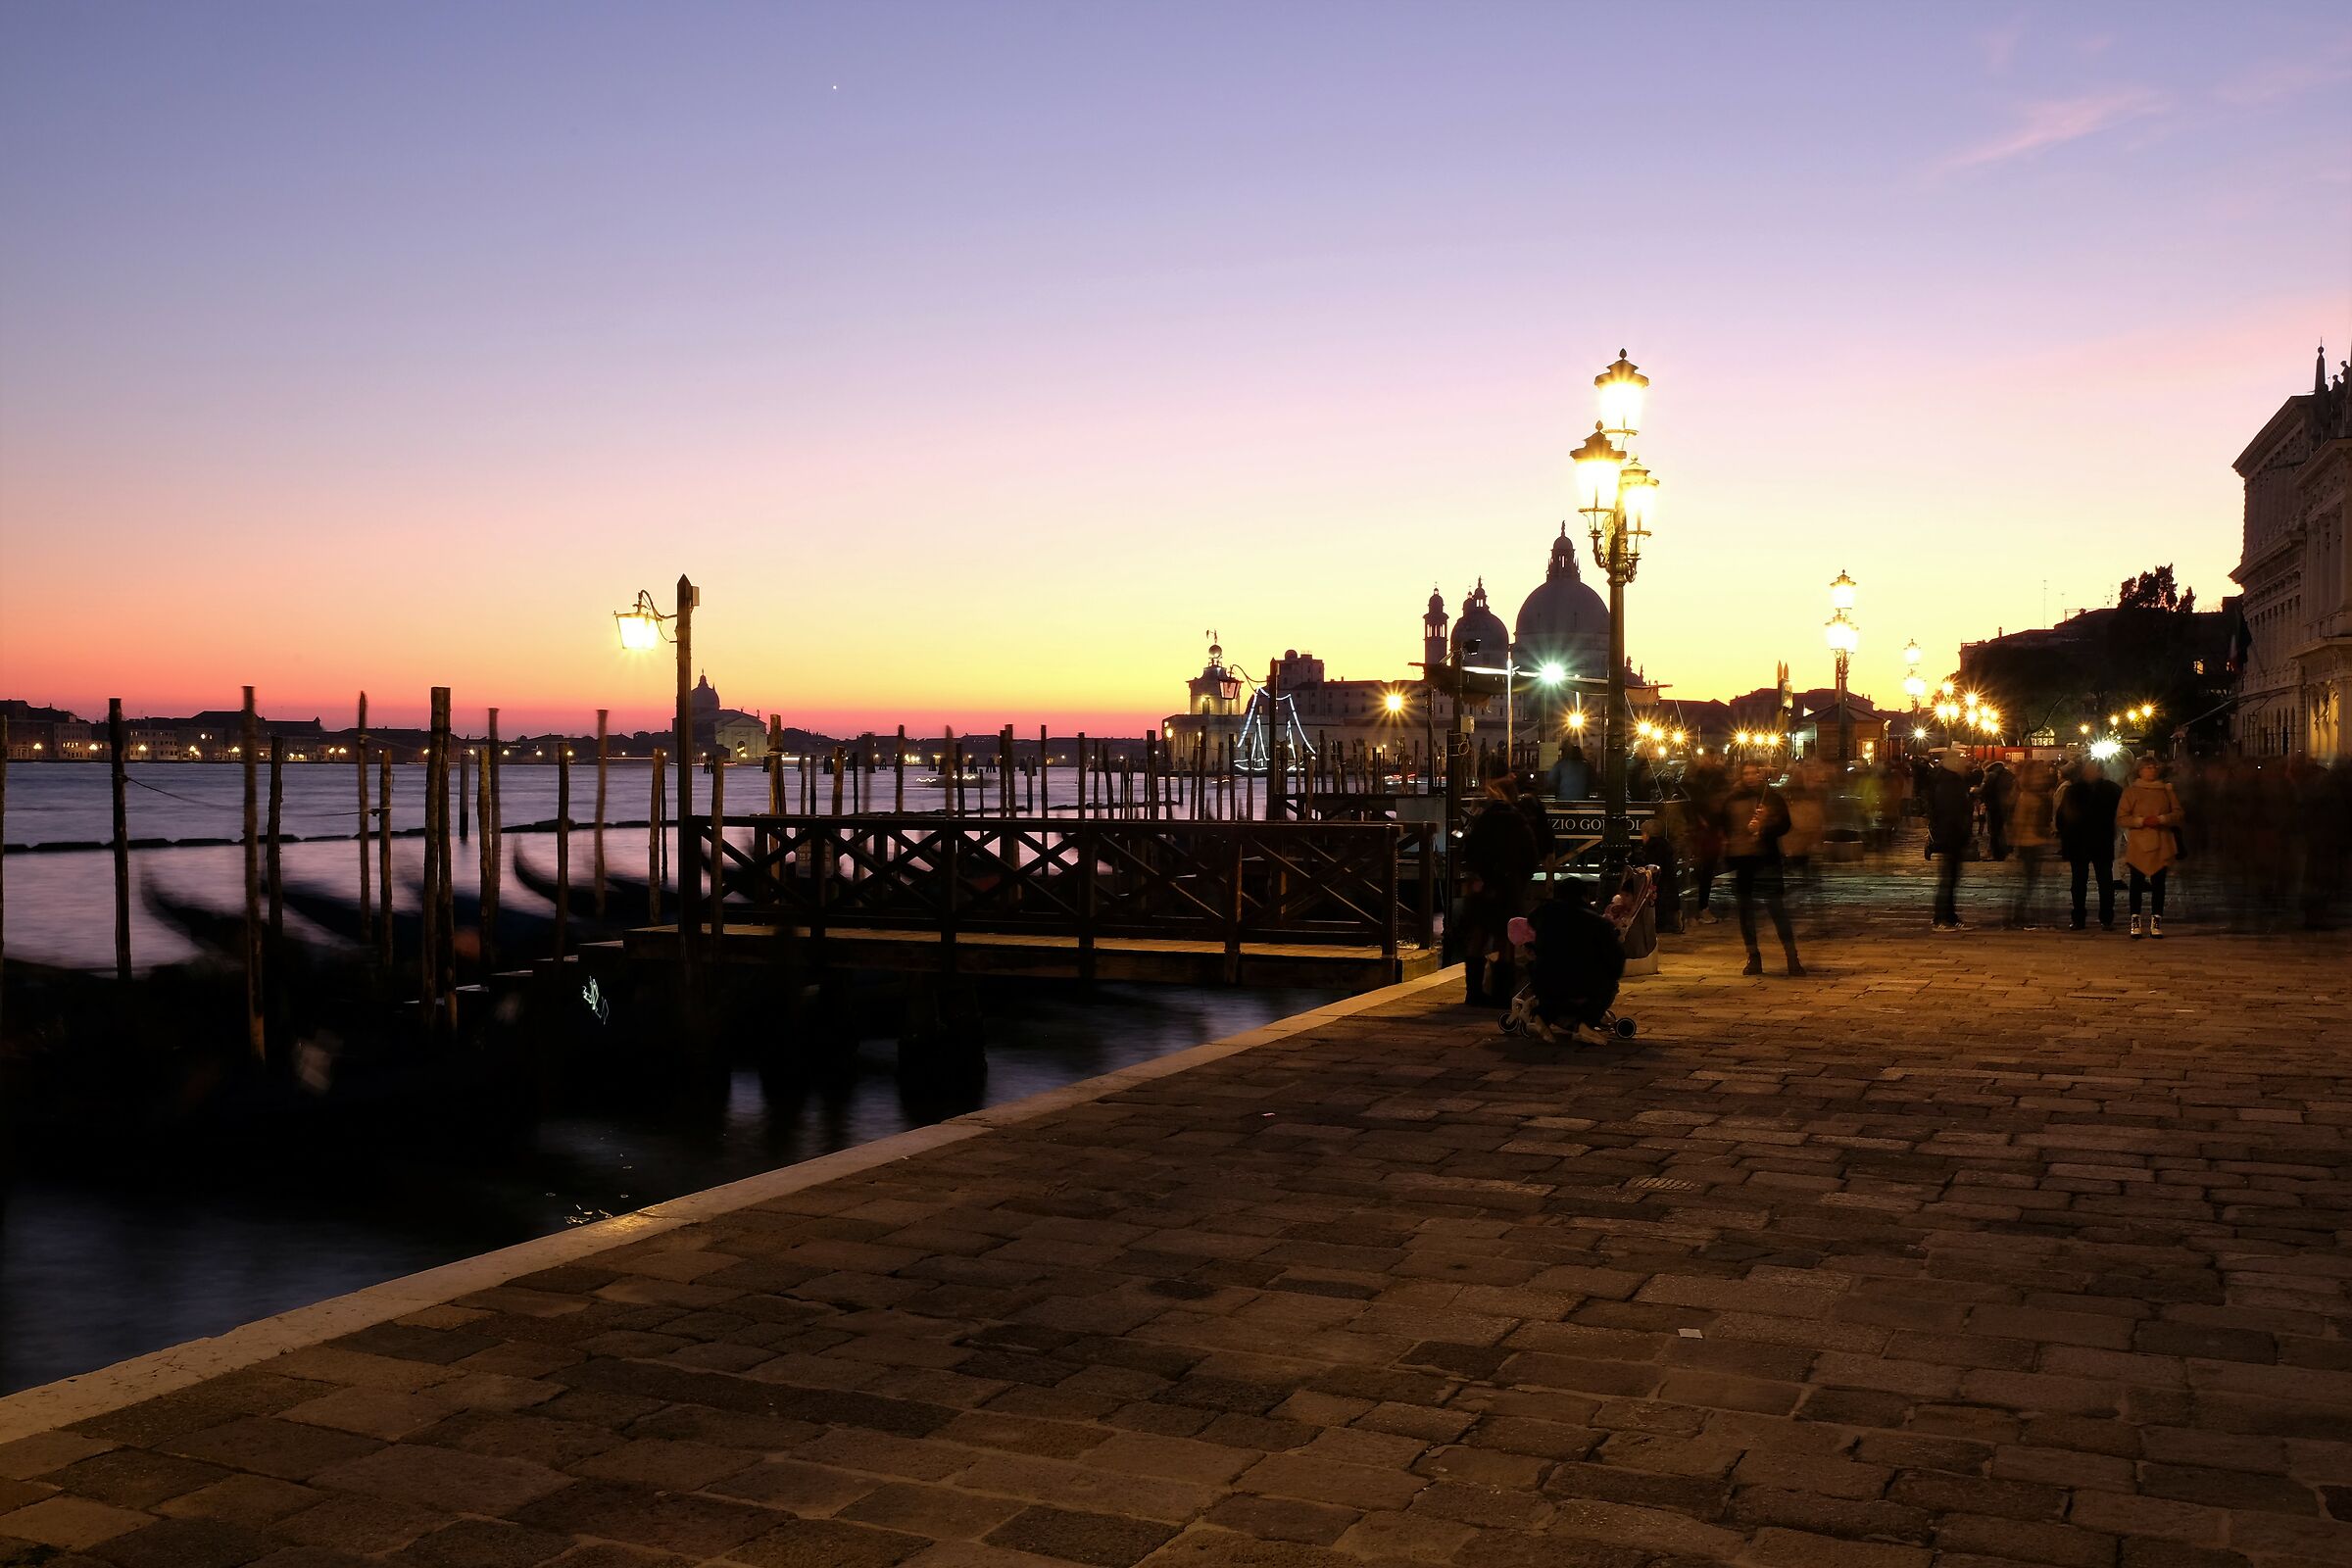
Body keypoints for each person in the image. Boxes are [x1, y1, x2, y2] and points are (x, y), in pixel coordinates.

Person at [1457, 769, 1539, 1004]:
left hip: (1483, 886)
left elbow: (1469, 851)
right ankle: (1503, 994)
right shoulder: (1519, 821)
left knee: (1478, 937)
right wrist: (1520, 879)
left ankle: (1473, 993)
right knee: (1506, 939)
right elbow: (1530, 856)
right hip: (1508, 886)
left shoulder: (1483, 820)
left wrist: (1478, 877)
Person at [1720, 760, 1803, 975]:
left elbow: (1784, 824)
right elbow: (1726, 828)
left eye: (1753, 773)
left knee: (1776, 909)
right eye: (1745, 773)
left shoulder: (1771, 797)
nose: (1749, 777)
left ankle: (1792, 956)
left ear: (1760, 774)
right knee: (1746, 912)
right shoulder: (1732, 799)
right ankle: (1753, 957)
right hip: (1743, 862)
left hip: (1767, 861)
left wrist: (1764, 827)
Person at [2117, 754, 2184, 938]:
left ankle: (2156, 920)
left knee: (2159, 884)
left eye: (2154, 767)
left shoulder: (2165, 790)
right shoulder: (2131, 792)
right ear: (2139, 770)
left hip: (2162, 841)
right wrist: (2140, 821)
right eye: (2148, 767)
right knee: (2137, 884)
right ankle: (2135, 920)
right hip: (2139, 843)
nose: (2152, 770)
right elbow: (2122, 817)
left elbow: (2178, 813)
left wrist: (2162, 819)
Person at [2055, 756, 2122, 930]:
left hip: (2097, 840)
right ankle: (2080, 917)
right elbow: (2062, 816)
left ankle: (2105, 918)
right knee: (2079, 882)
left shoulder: (2110, 790)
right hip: (2082, 841)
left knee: (2104, 882)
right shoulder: (2076, 790)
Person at [1924, 748, 1974, 931]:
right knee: (1948, 878)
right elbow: (1950, 811)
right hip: (1950, 835)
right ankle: (1941, 918)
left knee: (1950, 877)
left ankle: (1948, 916)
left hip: (1952, 834)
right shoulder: (1949, 783)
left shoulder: (1949, 780)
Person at [2006, 759, 2057, 927]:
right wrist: (2017, 845)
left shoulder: (2039, 794)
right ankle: (2019, 916)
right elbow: (2020, 821)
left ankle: (2024, 915)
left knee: (2031, 882)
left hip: (2036, 842)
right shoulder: (2027, 795)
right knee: (2028, 882)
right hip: (2028, 844)